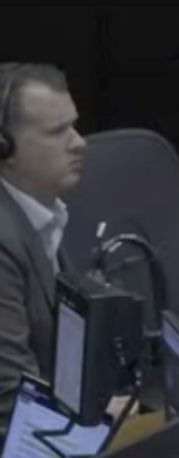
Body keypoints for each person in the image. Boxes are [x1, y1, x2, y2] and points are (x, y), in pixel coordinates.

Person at [0, 62, 85, 425]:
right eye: (57, 132)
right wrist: (87, 422)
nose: (79, 142)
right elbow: (9, 401)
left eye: (74, 125)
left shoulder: (45, 211)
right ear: (4, 147)